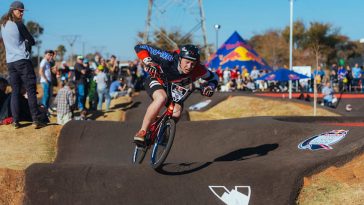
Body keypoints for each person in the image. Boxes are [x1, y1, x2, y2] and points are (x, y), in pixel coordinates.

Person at [133, 44, 218, 144]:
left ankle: (161, 131)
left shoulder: (198, 68)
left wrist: (210, 87)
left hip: (173, 88)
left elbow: (214, 77)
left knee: (177, 112)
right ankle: (142, 132)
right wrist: (148, 62)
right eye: (187, 62)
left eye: (193, 64)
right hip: (156, 80)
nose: (189, 66)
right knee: (161, 98)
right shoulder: (168, 57)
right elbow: (140, 47)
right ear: (180, 58)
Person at [0, 1, 46, 129]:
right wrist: (26, 42)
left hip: (11, 62)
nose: (21, 13)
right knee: (31, 89)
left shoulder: (3, 25)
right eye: (19, 10)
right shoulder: (18, 24)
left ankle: (15, 121)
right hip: (22, 61)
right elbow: (32, 41)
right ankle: (36, 119)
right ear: (12, 10)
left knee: (15, 91)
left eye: (22, 11)